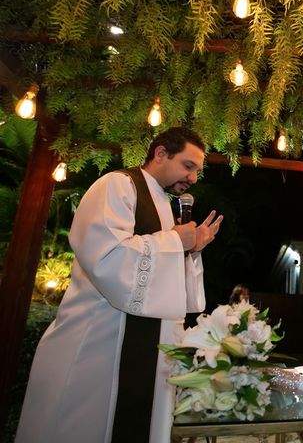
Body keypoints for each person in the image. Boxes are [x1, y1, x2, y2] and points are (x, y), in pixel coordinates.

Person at [16, 127, 224, 443]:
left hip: (143, 350)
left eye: (198, 170)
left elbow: (168, 288)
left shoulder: (164, 206)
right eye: (188, 165)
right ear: (161, 154)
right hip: (98, 346)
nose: (194, 178)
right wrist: (174, 241)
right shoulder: (117, 186)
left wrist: (189, 250)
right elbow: (105, 256)